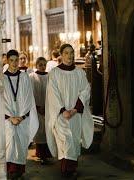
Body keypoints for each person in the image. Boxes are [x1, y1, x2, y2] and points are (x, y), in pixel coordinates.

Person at [45, 44, 94, 178]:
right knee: (65, 141)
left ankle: (71, 169)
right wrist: (63, 110)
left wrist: (75, 109)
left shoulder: (79, 72)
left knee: (74, 140)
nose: (70, 56)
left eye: (71, 53)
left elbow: (85, 90)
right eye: (66, 53)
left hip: (75, 114)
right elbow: (52, 93)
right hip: (61, 115)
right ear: (61, 55)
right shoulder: (55, 73)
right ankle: (66, 171)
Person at [2, 49, 39, 179]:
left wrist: (22, 116)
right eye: (11, 60)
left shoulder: (24, 77)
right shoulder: (2, 78)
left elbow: (29, 97)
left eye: (16, 60)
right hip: (7, 119)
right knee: (10, 145)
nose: (14, 63)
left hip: (23, 118)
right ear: (7, 61)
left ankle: (19, 172)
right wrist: (10, 117)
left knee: (21, 145)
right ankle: (11, 172)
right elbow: (0, 100)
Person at [29, 57, 52, 165]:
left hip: (47, 108)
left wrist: (47, 106)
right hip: (37, 108)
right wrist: (37, 107)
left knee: (47, 131)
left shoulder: (49, 76)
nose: (43, 67)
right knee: (39, 132)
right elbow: (30, 93)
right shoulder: (32, 77)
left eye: (44, 65)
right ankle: (40, 154)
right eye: (40, 65)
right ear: (36, 65)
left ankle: (46, 154)